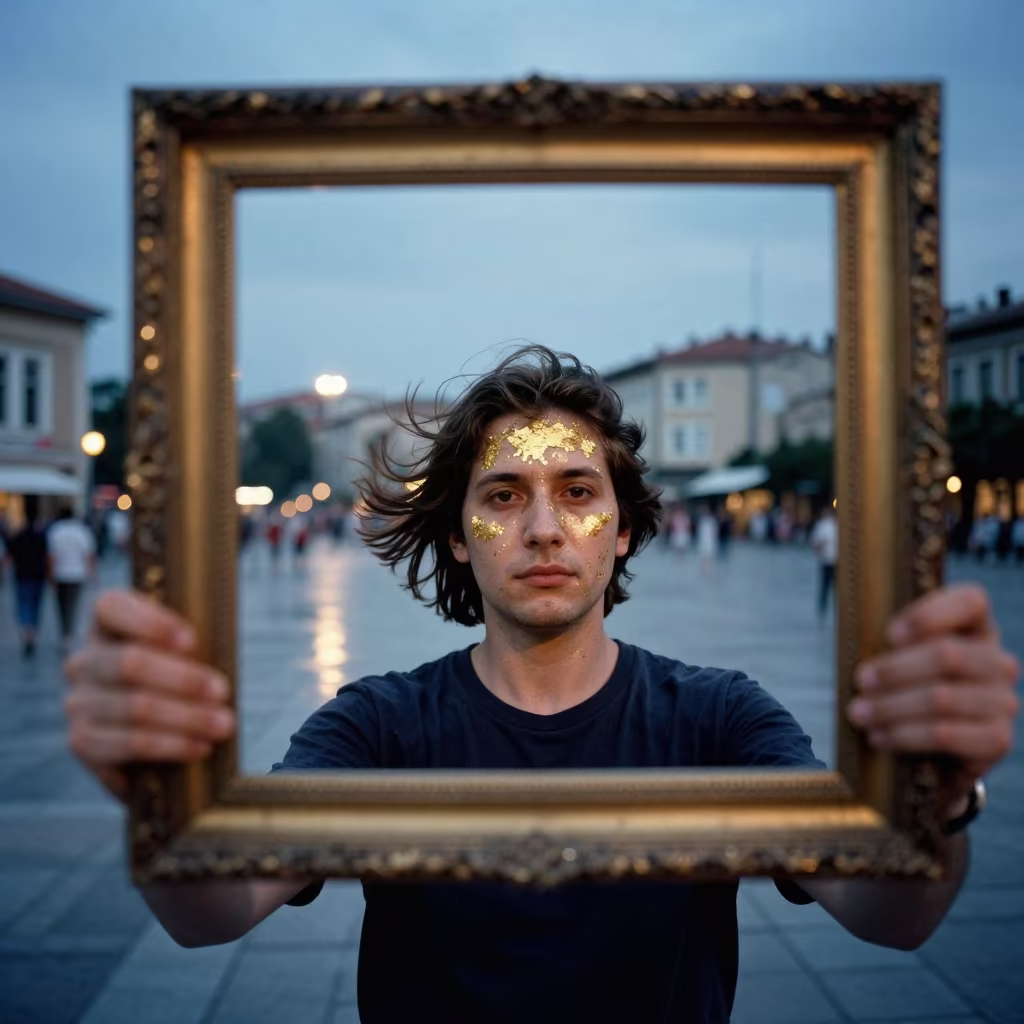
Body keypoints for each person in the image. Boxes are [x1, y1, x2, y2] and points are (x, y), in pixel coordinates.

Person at [63, 348, 1020, 1024]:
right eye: (503, 497)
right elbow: (209, 913)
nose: (545, 530)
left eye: (577, 491)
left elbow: (893, 915)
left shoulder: (719, 719)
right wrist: (160, 789)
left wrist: (939, 791)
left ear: (626, 527)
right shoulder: (377, 727)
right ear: (455, 533)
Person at [47, 505, 97, 653]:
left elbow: (51, 556)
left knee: (61, 606)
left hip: (60, 573)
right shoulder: (81, 531)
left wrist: (50, 574)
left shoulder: (55, 530)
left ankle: (64, 633)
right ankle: (68, 635)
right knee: (73, 605)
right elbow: (88, 554)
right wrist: (91, 572)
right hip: (77, 573)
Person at [6, 496, 49, 658]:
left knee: (24, 604)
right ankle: (32, 632)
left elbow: (9, 557)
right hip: (38, 576)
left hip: (22, 576)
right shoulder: (42, 536)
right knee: (36, 605)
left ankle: (27, 632)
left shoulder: (18, 535)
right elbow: (47, 557)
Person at [811, 504, 839, 618]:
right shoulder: (827, 525)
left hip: (829, 560)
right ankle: (827, 606)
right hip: (831, 559)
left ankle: (824, 607)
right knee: (829, 586)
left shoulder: (824, 525)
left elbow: (817, 544)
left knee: (827, 586)